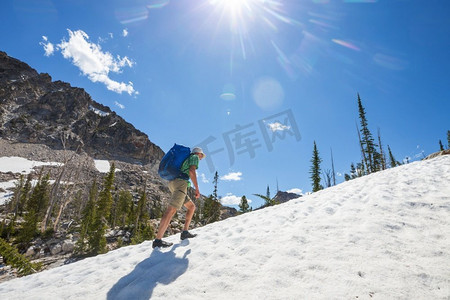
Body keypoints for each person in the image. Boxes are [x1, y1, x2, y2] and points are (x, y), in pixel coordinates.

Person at [152, 147, 205, 248]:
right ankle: (157, 241)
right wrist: (197, 189)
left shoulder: (186, 159)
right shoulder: (194, 157)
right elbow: (192, 171)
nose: (201, 158)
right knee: (171, 210)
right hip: (180, 184)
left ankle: (185, 232)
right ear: (199, 153)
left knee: (191, 207)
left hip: (174, 183)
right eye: (201, 156)